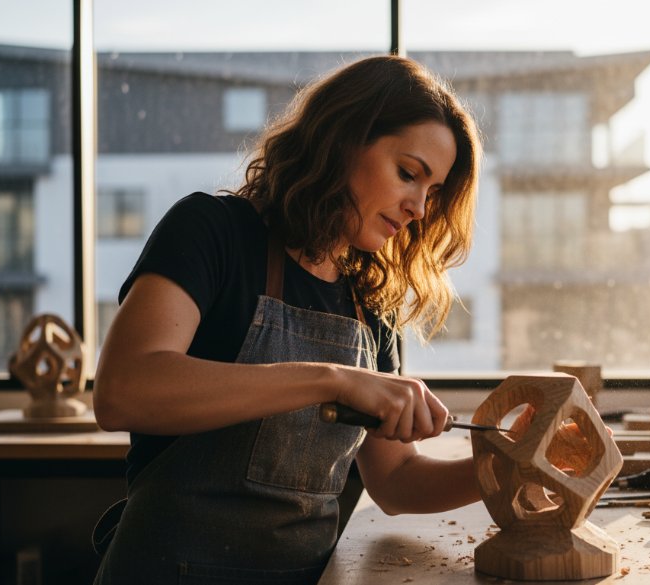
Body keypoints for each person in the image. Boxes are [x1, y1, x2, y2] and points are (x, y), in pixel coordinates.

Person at [91, 55, 484, 585]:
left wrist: (502, 470)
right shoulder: (211, 230)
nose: (418, 206)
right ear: (342, 140)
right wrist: (332, 380)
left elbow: (396, 481)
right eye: (408, 173)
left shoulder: (369, 297)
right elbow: (124, 390)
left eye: (432, 192)